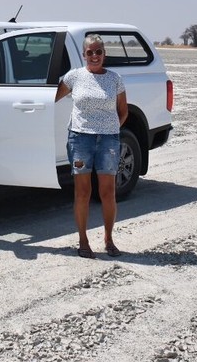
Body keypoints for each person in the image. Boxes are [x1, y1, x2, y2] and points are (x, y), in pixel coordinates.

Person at [55, 34, 128, 259]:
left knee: (108, 192)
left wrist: (111, 130)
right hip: (80, 140)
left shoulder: (115, 79)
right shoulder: (74, 77)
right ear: (83, 55)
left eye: (98, 51)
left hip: (108, 141)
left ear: (104, 53)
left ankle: (109, 239)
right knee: (83, 192)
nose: (94, 56)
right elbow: (49, 98)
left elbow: (123, 111)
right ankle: (83, 241)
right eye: (90, 52)